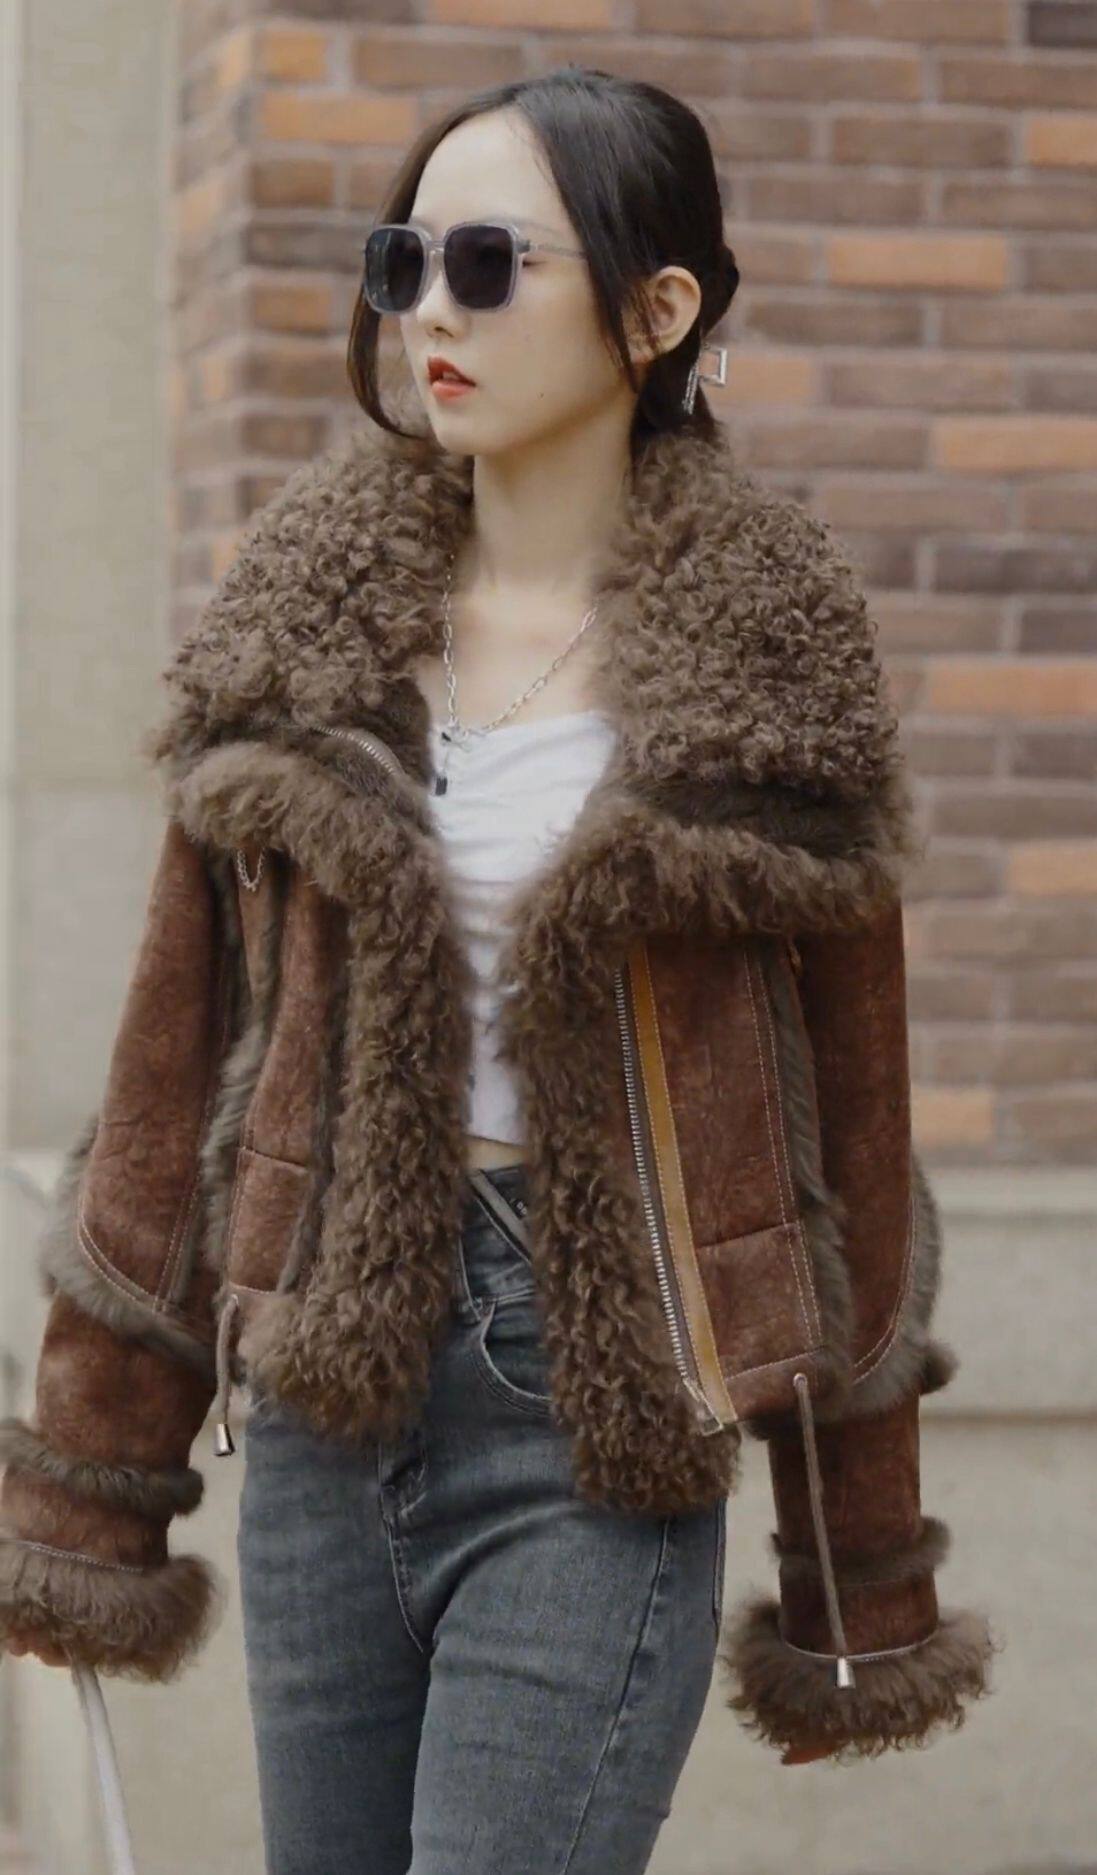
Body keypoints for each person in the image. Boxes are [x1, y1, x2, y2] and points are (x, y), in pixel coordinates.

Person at [0, 64, 997, 1875]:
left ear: (657, 310)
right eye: (404, 263)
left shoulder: (766, 678)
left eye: (487, 263)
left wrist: (857, 1575)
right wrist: (81, 1505)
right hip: (322, 1407)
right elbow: (167, 1085)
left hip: (597, 1416)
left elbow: (850, 1149)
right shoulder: (300, 641)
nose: (430, 314)